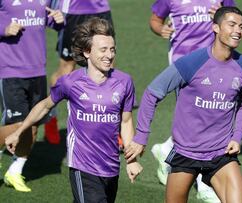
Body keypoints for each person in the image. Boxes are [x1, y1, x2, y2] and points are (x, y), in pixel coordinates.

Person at [5, 17, 142, 202]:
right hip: (82, 167)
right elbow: (44, 106)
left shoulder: (124, 82)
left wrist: (132, 161)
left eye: (112, 49)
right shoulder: (70, 82)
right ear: (87, 52)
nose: (109, 55)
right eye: (103, 50)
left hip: (111, 167)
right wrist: (19, 132)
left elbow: (125, 121)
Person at [126, 7, 242, 203]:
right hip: (186, 153)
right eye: (232, 25)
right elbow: (152, 93)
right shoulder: (192, 63)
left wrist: (237, 136)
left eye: (241, 26)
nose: (238, 30)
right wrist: (142, 136)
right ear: (216, 28)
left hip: (221, 153)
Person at [149, 0, 236, 201]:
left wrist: (223, 13)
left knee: (208, 114)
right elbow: (155, 19)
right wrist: (160, 29)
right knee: (195, 117)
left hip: (213, 62)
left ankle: (167, 149)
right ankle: (204, 184)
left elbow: (233, 16)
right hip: (183, 65)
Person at [0, 0, 64, 192]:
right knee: (17, 125)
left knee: (33, 126)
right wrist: (4, 28)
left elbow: (46, 18)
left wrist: (58, 20)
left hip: (37, 70)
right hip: (11, 70)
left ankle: (14, 171)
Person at [44, 0, 115, 145]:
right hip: (73, 12)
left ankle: (111, 126)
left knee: (107, 68)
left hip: (101, 10)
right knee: (66, 71)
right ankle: (50, 118)